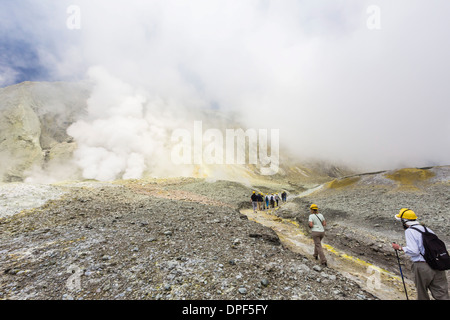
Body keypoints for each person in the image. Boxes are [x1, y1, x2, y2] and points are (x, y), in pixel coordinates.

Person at [391, 208, 449, 300]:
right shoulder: (427, 229)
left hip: (422, 266)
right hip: (438, 264)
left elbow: (414, 251)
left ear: (403, 221)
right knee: (442, 294)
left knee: (422, 294)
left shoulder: (409, 231)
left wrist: (400, 248)